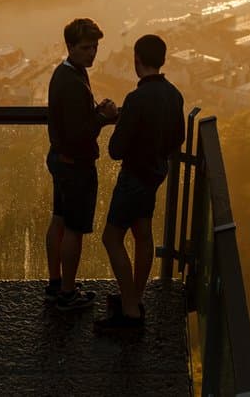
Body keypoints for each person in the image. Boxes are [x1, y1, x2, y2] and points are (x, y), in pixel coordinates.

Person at [95, 34, 184, 333]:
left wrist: (114, 119)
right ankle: (135, 296)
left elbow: (116, 149)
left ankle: (130, 311)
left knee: (111, 238)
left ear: (137, 60)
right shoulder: (174, 95)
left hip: (133, 177)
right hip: (156, 175)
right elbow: (178, 138)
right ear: (162, 59)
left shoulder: (136, 99)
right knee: (143, 235)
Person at [45, 17, 118, 311]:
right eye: (87, 47)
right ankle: (67, 293)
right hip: (75, 165)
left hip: (60, 160)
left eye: (95, 47)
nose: (93, 53)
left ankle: (55, 283)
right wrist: (104, 118)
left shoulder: (65, 74)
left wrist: (94, 113)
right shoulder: (74, 81)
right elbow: (79, 133)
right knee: (74, 228)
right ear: (71, 47)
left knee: (59, 220)